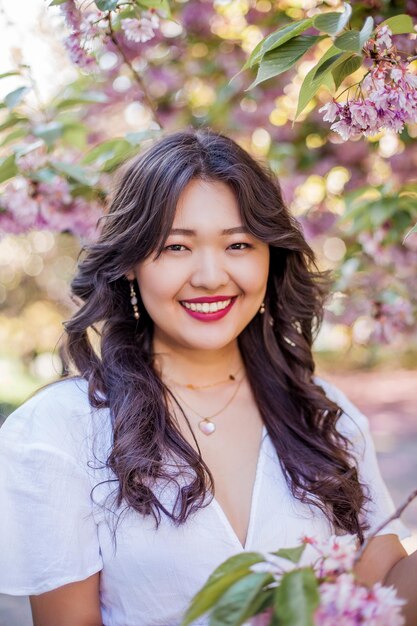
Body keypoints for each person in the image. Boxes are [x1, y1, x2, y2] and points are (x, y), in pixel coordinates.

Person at [0, 128, 415, 626]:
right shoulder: (58, 431)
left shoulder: (323, 414)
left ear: (270, 255)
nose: (211, 276)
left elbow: (386, 592)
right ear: (131, 263)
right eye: (177, 248)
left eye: (238, 244)